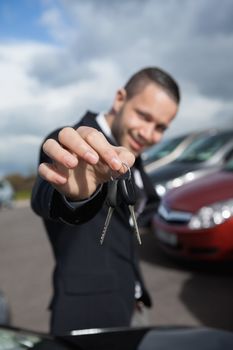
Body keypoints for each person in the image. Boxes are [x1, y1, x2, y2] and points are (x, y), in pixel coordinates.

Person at [31, 67, 180, 335]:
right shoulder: (71, 141)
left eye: (160, 127)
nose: (149, 134)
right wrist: (75, 195)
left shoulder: (134, 153)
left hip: (133, 304)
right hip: (87, 316)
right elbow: (44, 194)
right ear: (120, 99)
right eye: (144, 116)